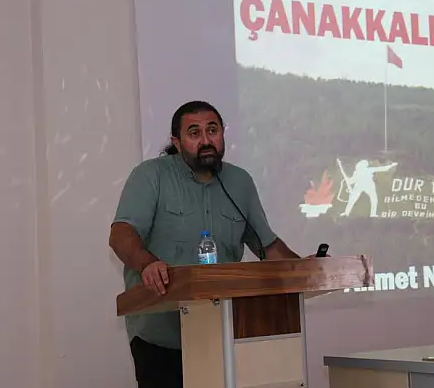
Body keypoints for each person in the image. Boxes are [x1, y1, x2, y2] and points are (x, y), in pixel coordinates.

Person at [109, 100, 310, 388]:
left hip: (225, 332)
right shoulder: (151, 176)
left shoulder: (239, 182)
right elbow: (121, 234)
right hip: (161, 337)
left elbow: (267, 246)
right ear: (176, 142)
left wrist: (305, 269)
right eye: (194, 133)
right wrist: (147, 264)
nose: (206, 140)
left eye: (212, 130)